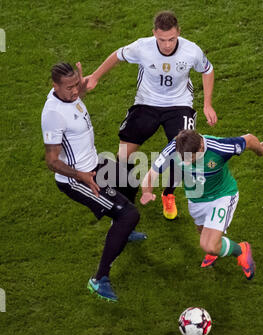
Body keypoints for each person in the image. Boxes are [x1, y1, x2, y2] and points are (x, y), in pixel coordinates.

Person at [81, 10, 218, 221]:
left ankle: (168, 194)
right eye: (162, 40)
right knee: (123, 155)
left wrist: (207, 103)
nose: (167, 45)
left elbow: (207, 70)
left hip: (179, 104)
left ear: (178, 33)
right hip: (146, 103)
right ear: (154, 33)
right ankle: (126, 203)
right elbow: (118, 55)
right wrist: (96, 77)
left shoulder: (191, 50)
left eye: (172, 39)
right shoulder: (142, 47)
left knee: (184, 152)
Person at [41, 62, 143, 302]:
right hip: (76, 179)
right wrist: (82, 177)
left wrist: (81, 84)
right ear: (55, 86)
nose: (75, 91)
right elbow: (52, 161)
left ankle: (123, 232)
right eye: (69, 88)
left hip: (94, 165)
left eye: (76, 84)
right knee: (129, 215)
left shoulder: (70, 95)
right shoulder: (53, 114)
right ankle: (99, 280)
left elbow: (77, 98)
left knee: (129, 180)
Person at [140, 129, 263, 280]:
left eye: (191, 159)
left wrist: (261, 151)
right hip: (196, 198)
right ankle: (216, 250)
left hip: (222, 196)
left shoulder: (219, 147)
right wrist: (146, 192)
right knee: (202, 231)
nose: (186, 163)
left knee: (210, 246)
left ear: (201, 146)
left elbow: (248, 140)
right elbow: (151, 174)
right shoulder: (174, 148)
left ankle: (241, 250)